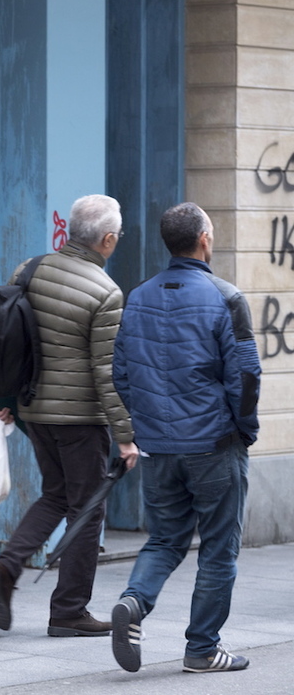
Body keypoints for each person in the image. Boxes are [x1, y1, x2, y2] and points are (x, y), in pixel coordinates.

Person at [109, 202, 260, 673]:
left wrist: (145, 426)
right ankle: (201, 648)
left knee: (165, 540)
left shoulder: (138, 296)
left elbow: (121, 372)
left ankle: (134, 602)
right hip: (214, 445)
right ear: (204, 239)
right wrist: (245, 430)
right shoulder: (225, 296)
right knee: (218, 548)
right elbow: (246, 375)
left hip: (159, 447)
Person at [0, 194, 140, 637]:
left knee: (56, 495)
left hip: (34, 411)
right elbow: (106, 372)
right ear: (107, 239)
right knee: (87, 510)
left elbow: (8, 338)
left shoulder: (29, 270)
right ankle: (69, 611)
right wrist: (125, 436)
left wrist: (5, 397)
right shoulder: (106, 293)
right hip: (80, 421)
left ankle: (7, 570)